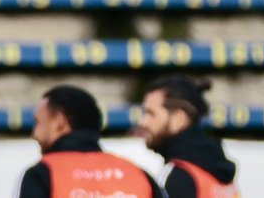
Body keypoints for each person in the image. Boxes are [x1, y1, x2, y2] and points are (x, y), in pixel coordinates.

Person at [16, 85, 164, 198]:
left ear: (59, 121)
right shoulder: (139, 175)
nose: (34, 134)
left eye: (38, 122)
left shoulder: (42, 174)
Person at [136, 75, 240, 198]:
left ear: (178, 118)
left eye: (151, 113)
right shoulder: (218, 173)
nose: (143, 122)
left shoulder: (177, 177)